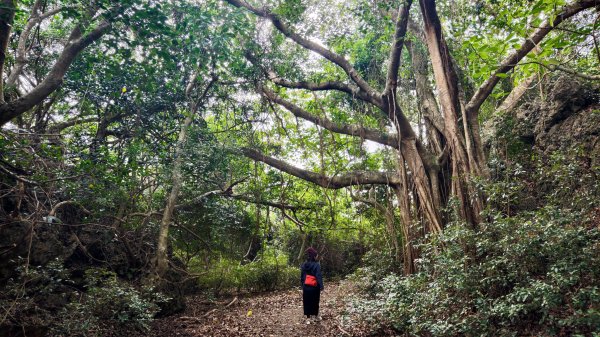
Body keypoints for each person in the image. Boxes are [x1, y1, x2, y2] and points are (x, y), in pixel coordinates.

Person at [300, 247, 323, 323]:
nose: (317, 256)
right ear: (314, 256)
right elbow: (318, 276)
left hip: (306, 286)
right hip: (314, 287)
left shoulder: (304, 265)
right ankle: (315, 317)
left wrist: (303, 285)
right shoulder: (317, 265)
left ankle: (308, 318)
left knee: (306, 301)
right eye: (316, 255)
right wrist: (321, 286)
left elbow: (302, 276)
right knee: (315, 301)